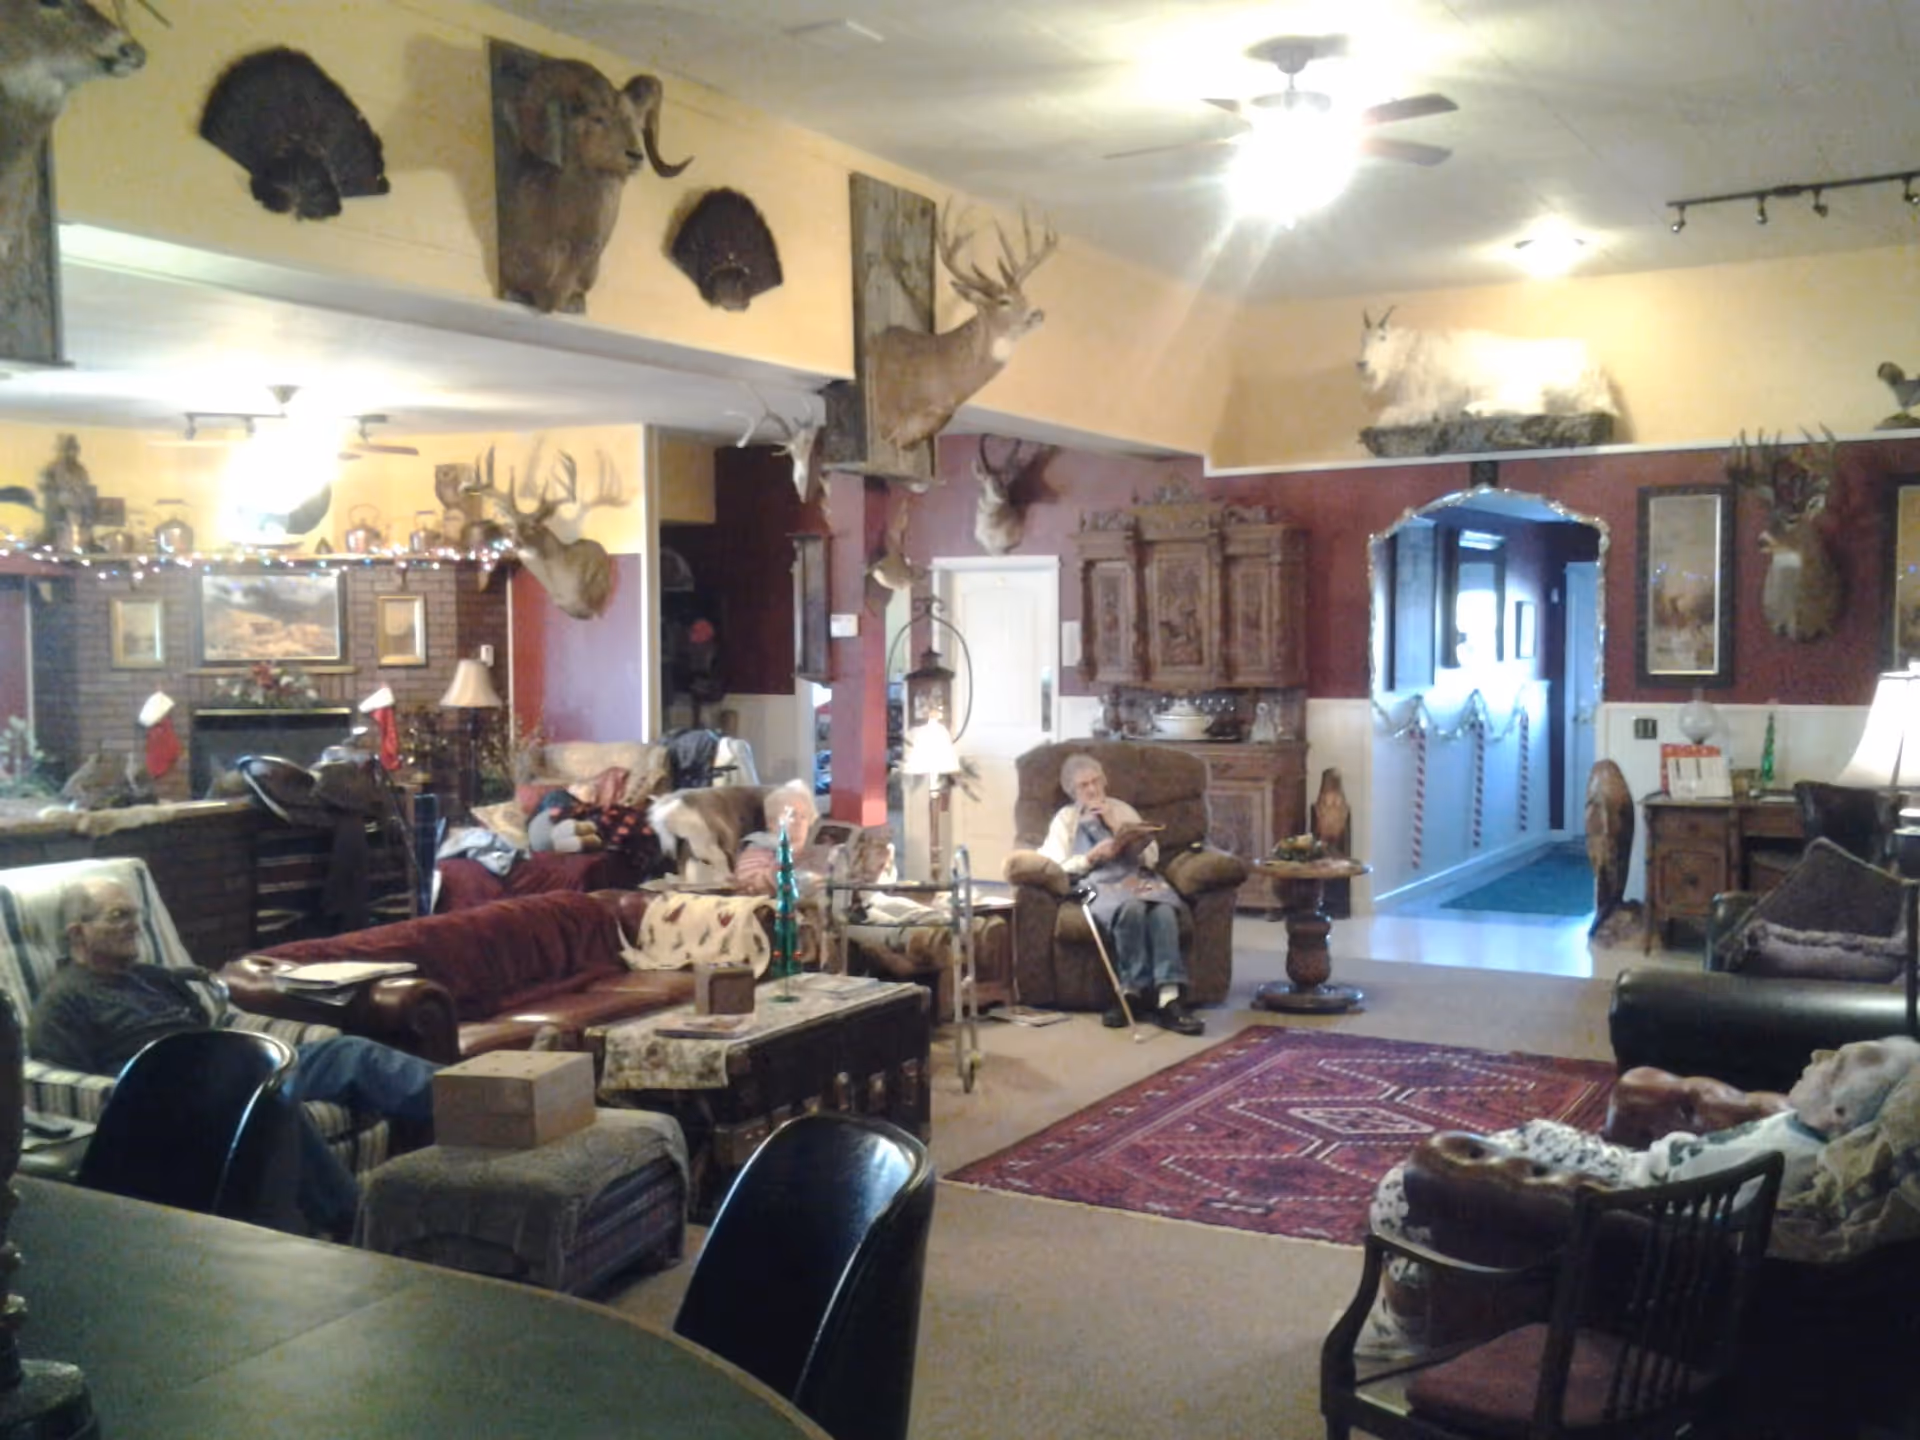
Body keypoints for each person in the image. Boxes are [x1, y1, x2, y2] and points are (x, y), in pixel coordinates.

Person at [29, 876, 441, 1240]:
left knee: (350, 1052)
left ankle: (471, 1106)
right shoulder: (64, 1000)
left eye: (136, 914)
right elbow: (60, 1075)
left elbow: (215, 1017)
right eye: (118, 916)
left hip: (233, 1063)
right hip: (183, 1092)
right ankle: (357, 1224)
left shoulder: (151, 977)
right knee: (268, 1102)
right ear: (78, 933)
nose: (135, 926)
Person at [1040, 753, 1202, 1035]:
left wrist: (1117, 827)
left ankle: (1170, 997)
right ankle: (1131, 992)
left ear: (1104, 781)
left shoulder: (1122, 809)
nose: (1091, 789)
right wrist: (1089, 858)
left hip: (1134, 876)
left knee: (1163, 909)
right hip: (1094, 882)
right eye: (1083, 785)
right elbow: (1055, 867)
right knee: (1132, 909)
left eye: (1095, 782)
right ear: (1072, 790)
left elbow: (1151, 858)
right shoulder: (1065, 820)